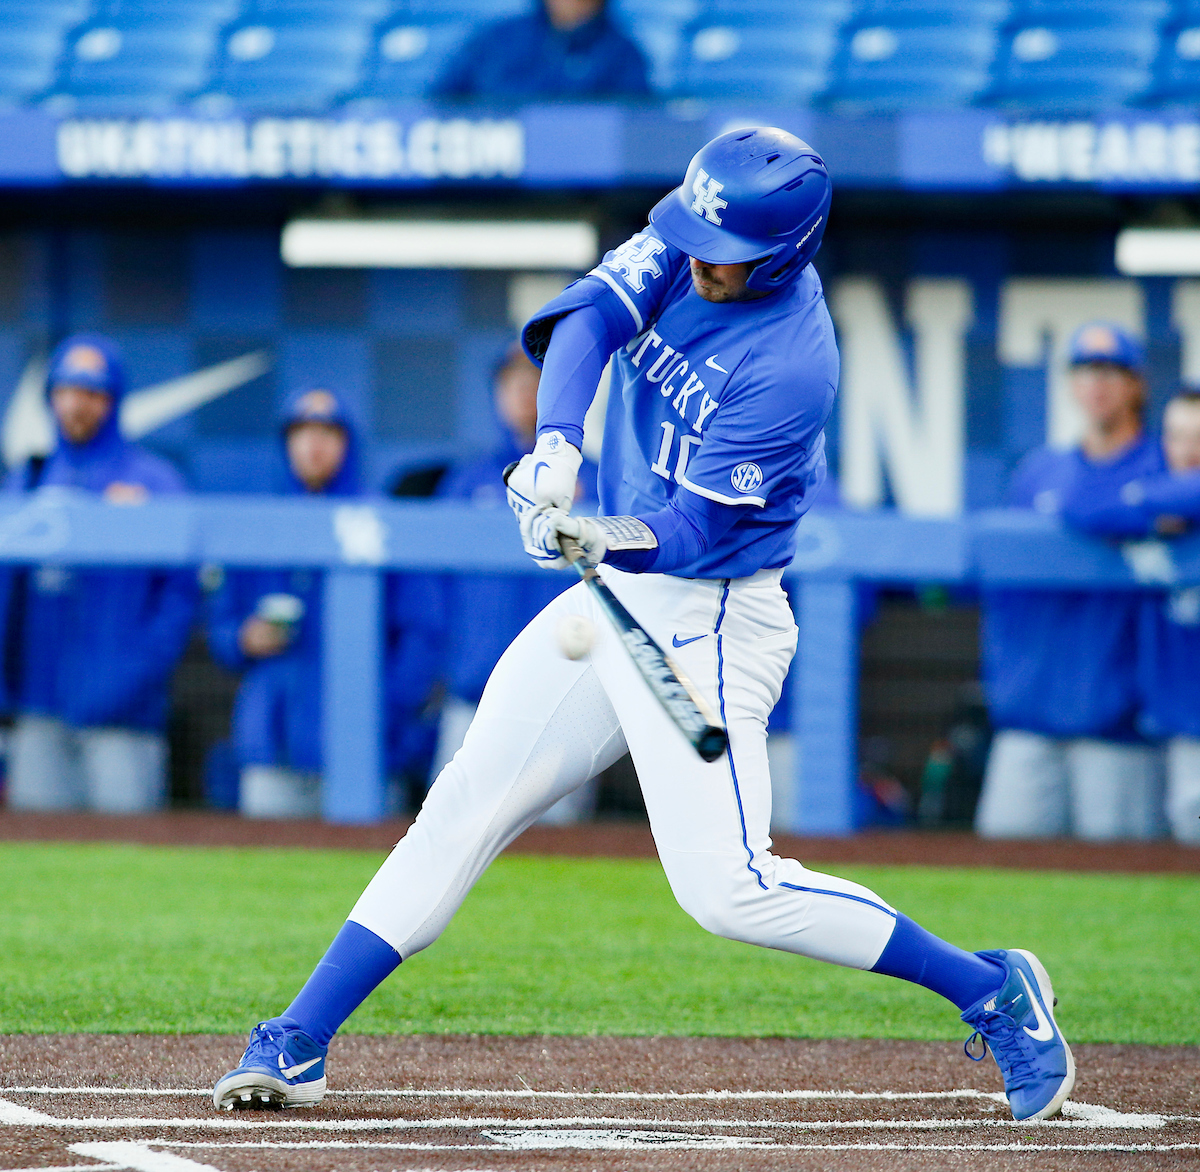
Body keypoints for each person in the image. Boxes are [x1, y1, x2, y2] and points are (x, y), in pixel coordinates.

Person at [212, 128, 1075, 1124]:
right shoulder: (691, 235)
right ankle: (300, 1035)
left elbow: (696, 530)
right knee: (462, 806)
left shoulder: (792, 365)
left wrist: (599, 535)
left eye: (725, 252)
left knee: (730, 890)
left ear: (784, 253)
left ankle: (991, 986)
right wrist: (555, 449)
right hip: (615, 601)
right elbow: (586, 320)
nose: (699, 260)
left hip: (713, 614)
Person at [975, 322, 1165, 842]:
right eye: (1085, 370)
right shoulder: (1040, 472)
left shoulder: (1160, 467)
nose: (1097, 383)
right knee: (1004, 865)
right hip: (1029, 716)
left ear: (1136, 384)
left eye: (1111, 371)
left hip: (1118, 726)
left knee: (1122, 873)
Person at [0, 334, 197, 813]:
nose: (76, 405)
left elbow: (181, 595)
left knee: (127, 845)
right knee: (39, 847)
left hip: (123, 713)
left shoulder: (154, 481)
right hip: (37, 705)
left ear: (114, 400)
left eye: (91, 393)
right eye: (65, 391)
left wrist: (135, 674)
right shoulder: (29, 477)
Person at [419, 344, 600, 822]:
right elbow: (430, 593)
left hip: (564, 701)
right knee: (451, 830)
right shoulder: (466, 482)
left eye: (535, 379)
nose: (522, 391)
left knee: (559, 848)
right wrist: (445, 667)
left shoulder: (599, 479)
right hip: (472, 696)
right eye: (510, 381)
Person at [208, 388, 376, 819]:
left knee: (366, 856)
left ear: (347, 443)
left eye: (327, 433)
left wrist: (385, 708)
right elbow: (221, 625)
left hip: (360, 739)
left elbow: (419, 633)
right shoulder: (259, 523)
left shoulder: (376, 519)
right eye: (301, 432)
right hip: (272, 732)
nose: (313, 444)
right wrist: (243, 639)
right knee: (267, 851)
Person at [1060, 389, 1200, 843]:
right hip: (1167, 720)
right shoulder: (1158, 502)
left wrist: (1149, 500)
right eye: (1178, 437)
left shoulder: (1161, 494)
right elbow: (1081, 505)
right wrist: (1154, 513)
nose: (1189, 450)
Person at [434, 0, 650, 99]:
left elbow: (634, 129)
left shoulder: (624, 55)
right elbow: (439, 102)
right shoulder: (497, 40)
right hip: (490, 170)